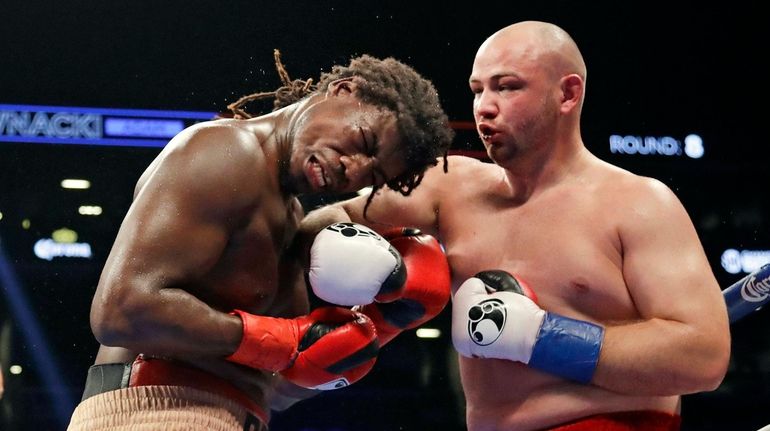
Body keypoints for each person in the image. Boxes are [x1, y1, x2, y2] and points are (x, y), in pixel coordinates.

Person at [298, 21, 731, 430]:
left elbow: (704, 357)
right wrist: (335, 244)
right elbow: (331, 217)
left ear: (568, 94)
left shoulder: (636, 204)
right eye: (477, 90)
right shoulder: (451, 186)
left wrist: (540, 338)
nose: (484, 107)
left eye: (507, 87)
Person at [66, 51, 454, 431]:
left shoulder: (290, 216)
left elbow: (272, 388)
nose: (351, 170)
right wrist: (278, 342)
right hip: (153, 411)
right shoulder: (224, 153)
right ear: (343, 90)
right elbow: (120, 311)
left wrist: (376, 328)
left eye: (373, 177)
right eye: (364, 142)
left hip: (231, 415)